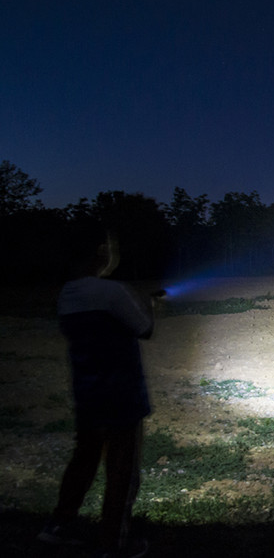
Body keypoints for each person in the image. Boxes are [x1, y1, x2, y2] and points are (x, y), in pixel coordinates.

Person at [37, 230, 155, 558]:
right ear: (101, 252)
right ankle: (113, 543)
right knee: (121, 471)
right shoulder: (112, 291)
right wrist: (147, 304)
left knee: (83, 461)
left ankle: (58, 526)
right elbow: (144, 327)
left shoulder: (67, 295)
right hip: (122, 395)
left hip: (87, 393)